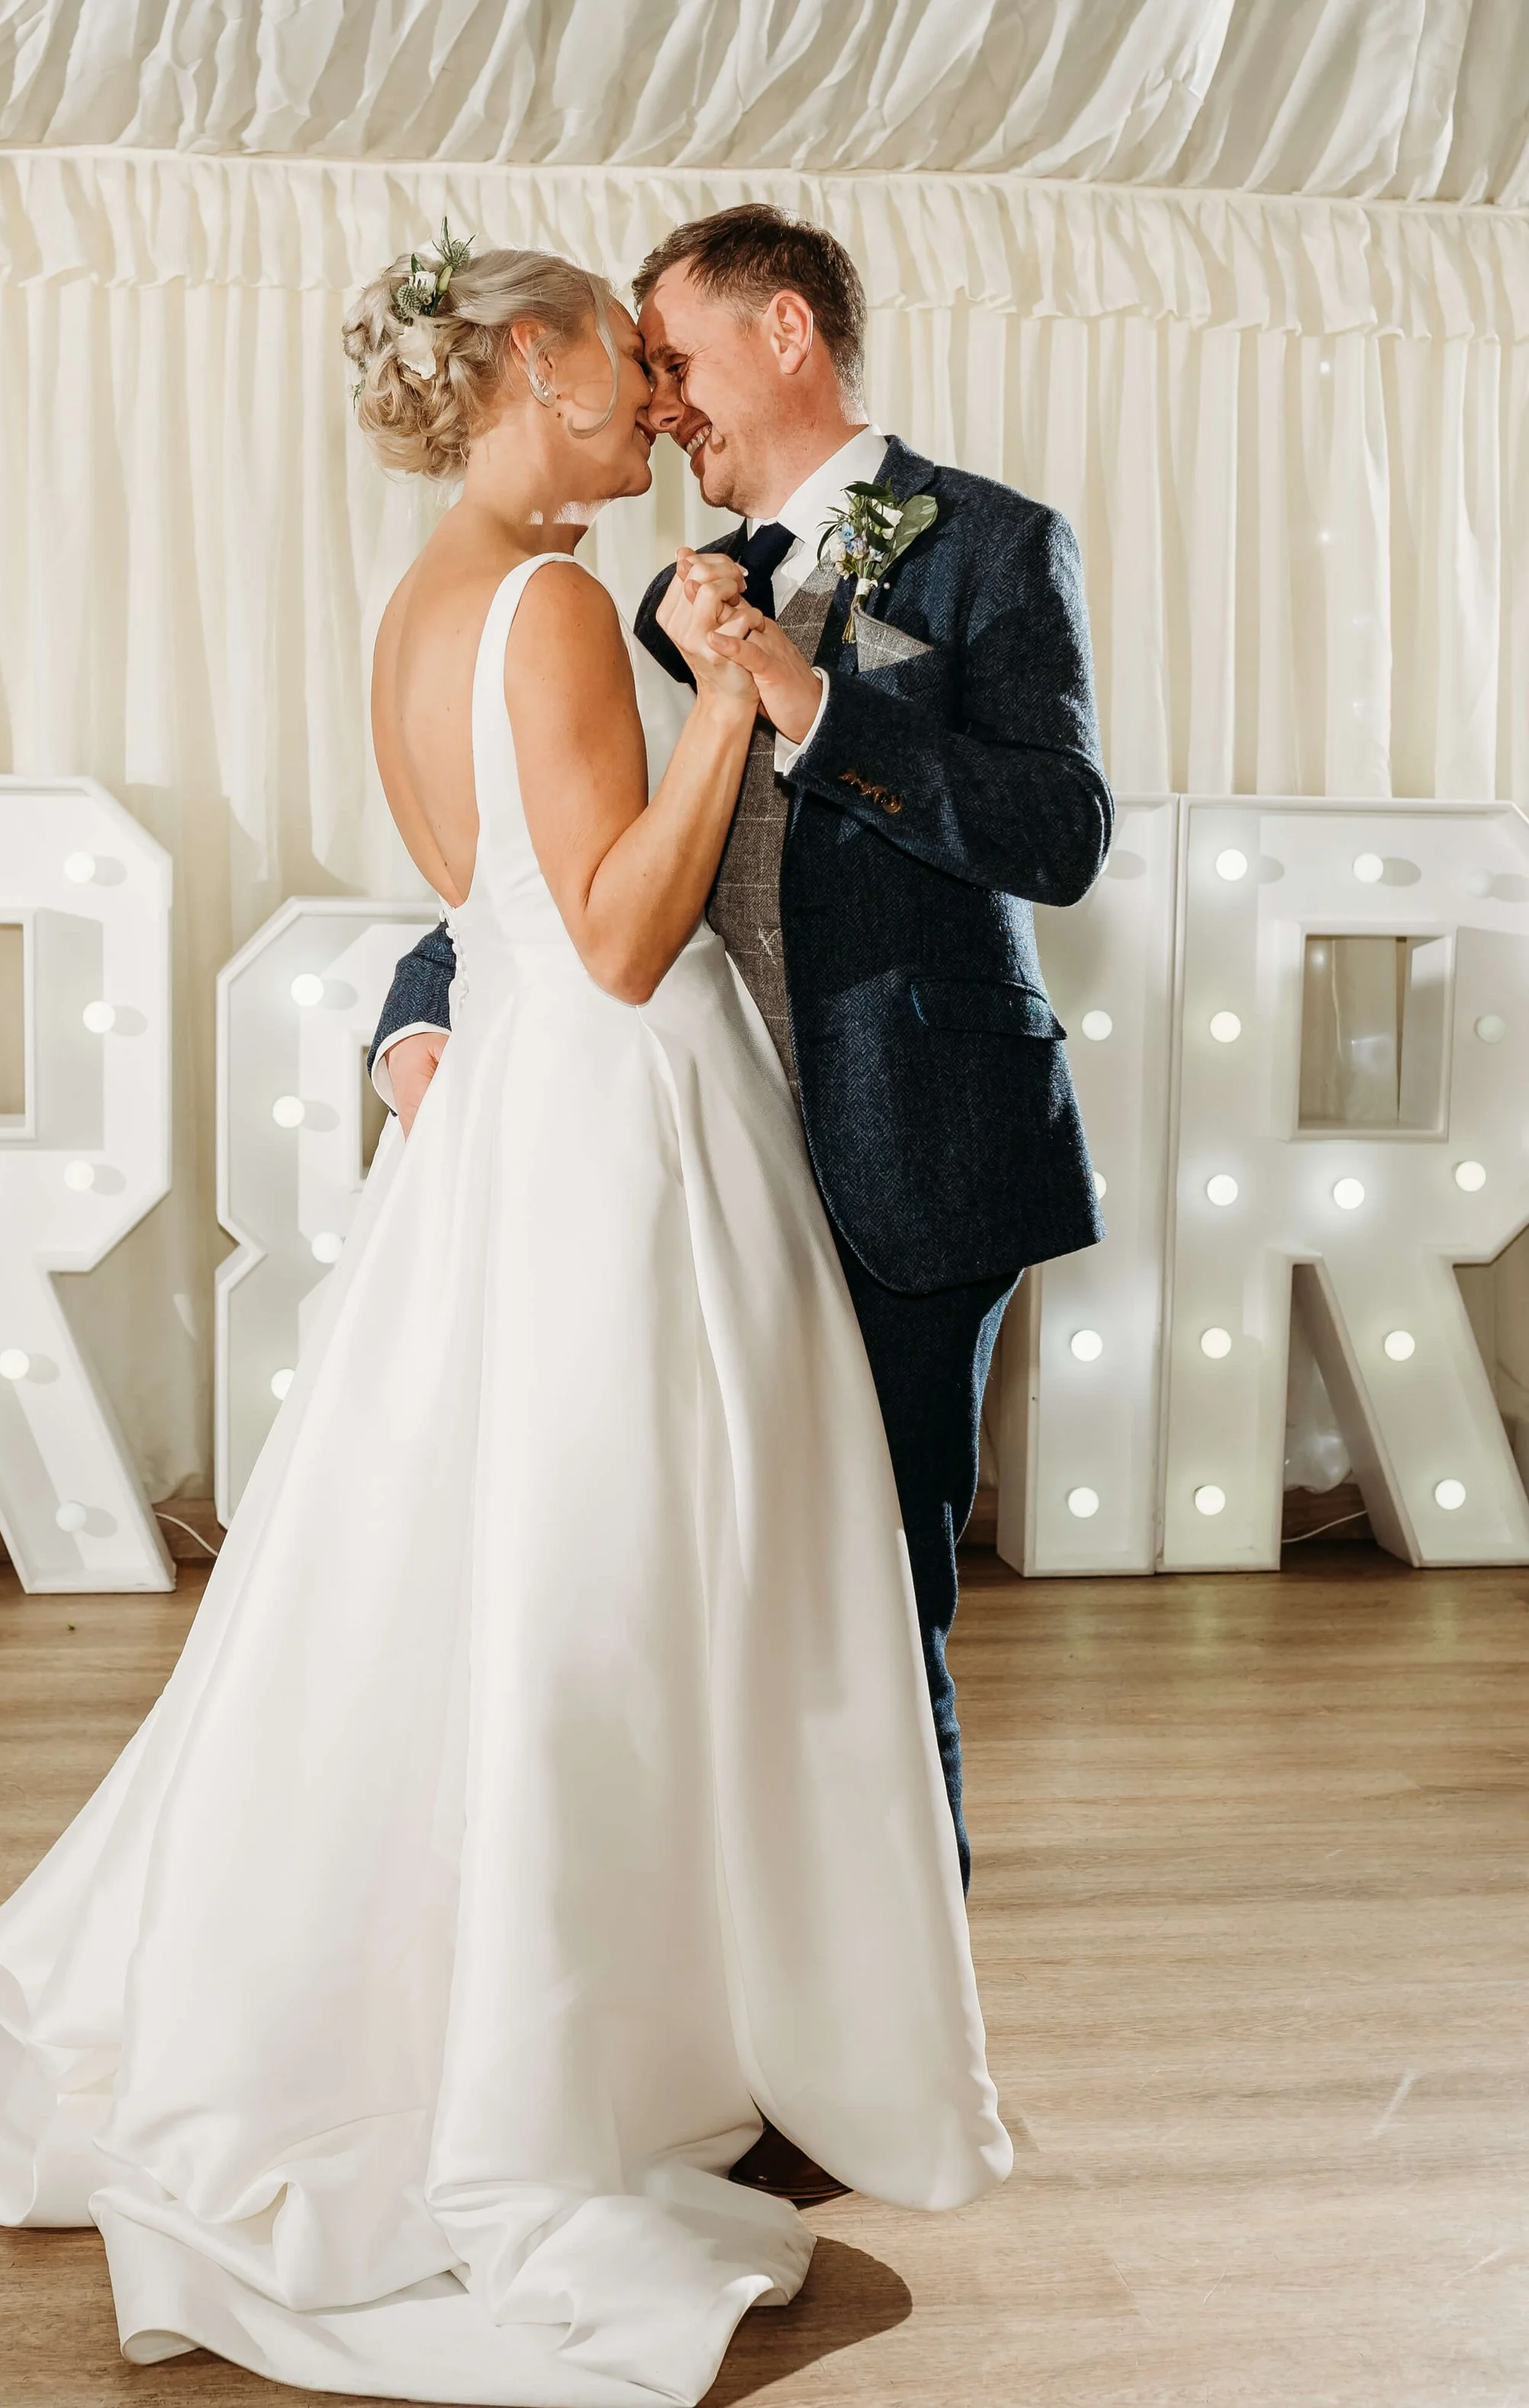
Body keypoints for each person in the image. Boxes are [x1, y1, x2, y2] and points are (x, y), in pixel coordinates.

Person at [0, 236, 1008, 2408]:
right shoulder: (564, 606)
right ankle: (583, 2041)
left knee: (505, 1577)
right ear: (525, 360)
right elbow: (606, 941)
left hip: (512, 1122)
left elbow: (485, 912)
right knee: (613, 1585)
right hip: (615, 1118)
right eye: (617, 355)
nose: (647, 397)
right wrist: (738, 712)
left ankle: (596, 1990)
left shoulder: (420, 602)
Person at [374, 204, 1111, 1908]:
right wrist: (421, 1008)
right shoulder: (646, 598)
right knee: (711, 1606)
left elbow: (1059, 832)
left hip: (909, 1148)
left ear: (786, 333)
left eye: (677, 360)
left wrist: (808, 698)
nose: (663, 403)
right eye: (636, 372)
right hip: (690, 1175)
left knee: (871, 1600)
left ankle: (900, 2010)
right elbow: (571, 860)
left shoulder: (991, 546)